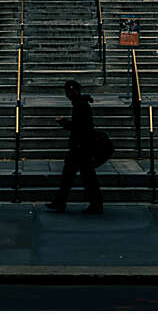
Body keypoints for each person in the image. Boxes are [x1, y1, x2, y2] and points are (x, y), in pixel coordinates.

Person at [46, 79, 103, 215]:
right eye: (67, 91)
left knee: (78, 176)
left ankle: (61, 203)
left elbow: (79, 127)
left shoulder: (81, 105)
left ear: (77, 91)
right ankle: (62, 202)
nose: (69, 94)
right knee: (80, 176)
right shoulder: (80, 103)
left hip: (81, 147)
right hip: (81, 146)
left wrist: (64, 122)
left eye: (70, 91)